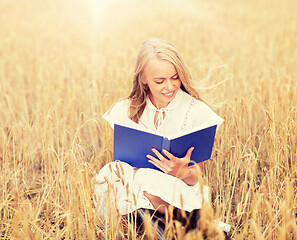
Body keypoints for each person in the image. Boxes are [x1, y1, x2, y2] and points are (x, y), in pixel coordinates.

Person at [94, 39, 230, 238]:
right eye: (159, 81)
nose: (169, 86)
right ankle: (159, 228)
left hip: (177, 193)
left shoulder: (196, 112)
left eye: (175, 78)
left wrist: (183, 171)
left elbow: (196, 178)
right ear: (143, 79)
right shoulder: (125, 110)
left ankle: (173, 227)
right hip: (137, 189)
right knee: (111, 173)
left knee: (148, 180)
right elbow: (122, 160)